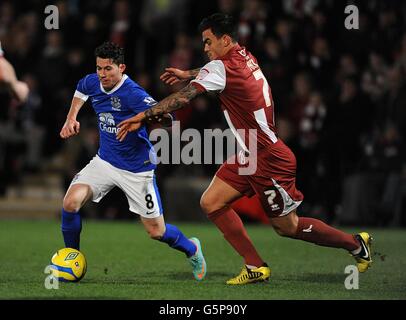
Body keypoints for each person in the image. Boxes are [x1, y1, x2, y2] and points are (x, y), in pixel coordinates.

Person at [116, 13, 372, 285]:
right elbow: (215, 72)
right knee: (211, 202)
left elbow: (183, 98)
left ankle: (355, 244)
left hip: (268, 157)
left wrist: (143, 116)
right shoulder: (245, 56)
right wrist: (188, 73)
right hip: (251, 152)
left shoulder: (220, 68)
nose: (205, 49)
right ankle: (254, 265)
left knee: (288, 227)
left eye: (208, 42)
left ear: (225, 40)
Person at [59, 41, 206, 281]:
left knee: (156, 231)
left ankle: (192, 248)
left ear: (122, 68)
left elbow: (167, 116)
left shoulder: (133, 93)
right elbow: (80, 89)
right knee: (70, 203)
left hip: (137, 169)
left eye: (108, 69)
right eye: (99, 68)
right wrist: (71, 117)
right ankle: (71, 257)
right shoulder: (93, 81)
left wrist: (156, 117)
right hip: (104, 161)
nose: (102, 74)